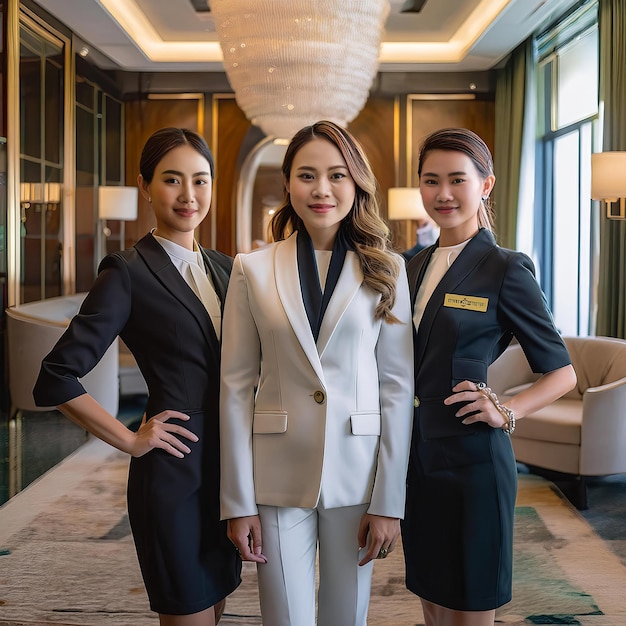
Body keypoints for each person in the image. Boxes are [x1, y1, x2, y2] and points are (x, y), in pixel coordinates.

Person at [33, 127, 241, 626]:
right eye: (172, 180)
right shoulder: (127, 272)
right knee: (187, 611)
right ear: (146, 185)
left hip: (231, 474)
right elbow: (56, 376)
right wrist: (129, 439)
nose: (189, 196)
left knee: (215, 607)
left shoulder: (226, 269)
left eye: (200, 180)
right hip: (175, 471)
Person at [219, 120, 414, 626]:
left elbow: (397, 388)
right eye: (307, 175)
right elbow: (236, 387)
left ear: (357, 183)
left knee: (347, 617)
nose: (322, 189)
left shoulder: (388, 270)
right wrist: (236, 502)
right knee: (284, 618)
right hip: (276, 474)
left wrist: (390, 501)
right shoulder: (251, 269)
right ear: (288, 183)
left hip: (359, 474)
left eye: (336, 175)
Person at [401, 127, 577, 626]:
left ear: (486, 185)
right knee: (432, 599)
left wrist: (506, 409)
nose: (443, 193)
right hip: (415, 461)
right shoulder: (410, 267)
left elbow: (561, 371)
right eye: (431, 181)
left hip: (473, 463)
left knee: (470, 605)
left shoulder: (505, 268)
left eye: (457, 179)